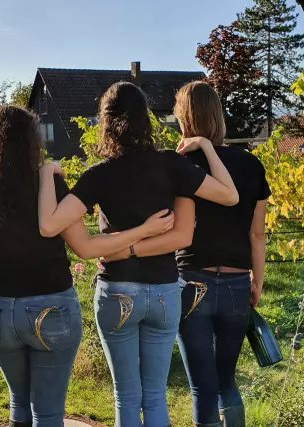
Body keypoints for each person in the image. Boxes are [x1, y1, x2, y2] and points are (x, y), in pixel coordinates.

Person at [0, 105, 176, 427]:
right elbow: (85, 246)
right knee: (47, 415)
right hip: (51, 309)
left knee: (19, 406)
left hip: (2, 312)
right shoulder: (51, 189)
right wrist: (143, 231)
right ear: (33, 142)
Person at [38, 81, 239, 427]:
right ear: (145, 119)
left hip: (117, 291)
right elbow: (229, 196)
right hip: (163, 292)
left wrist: (45, 173)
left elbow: (50, 225)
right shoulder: (170, 166)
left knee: (126, 397)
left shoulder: (98, 175)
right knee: (156, 396)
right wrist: (206, 145)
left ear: (105, 123)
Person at [105, 82, 270, 426]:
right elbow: (257, 234)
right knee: (226, 380)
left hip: (191, 281)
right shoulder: (252, 165)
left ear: (183, 118)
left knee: (202, 386)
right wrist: (258, 280)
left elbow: (171, 227)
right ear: (219, 116)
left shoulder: (179, 164)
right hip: (238, 282)